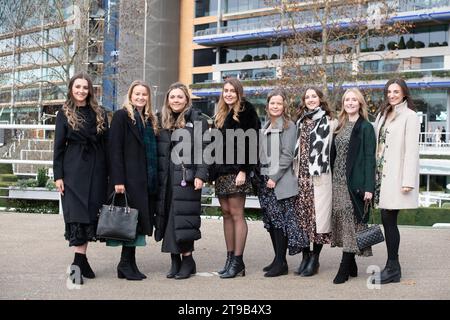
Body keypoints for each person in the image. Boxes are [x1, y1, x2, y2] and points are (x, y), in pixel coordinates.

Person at [53, 72, 109, 285]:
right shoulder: (64, 113)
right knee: (76, 216)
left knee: (89, 216)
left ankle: (82, 260)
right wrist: (58, 175)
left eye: (85, 87)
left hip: (97, 169)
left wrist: (111, 174)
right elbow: (58, 147)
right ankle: (77, 266)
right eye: (77, 87)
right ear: (71, 88)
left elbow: (107, 144)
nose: (81, 91)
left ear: (90, 90)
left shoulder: (100, 112)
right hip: (73, 170)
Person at [154, 82, 209, 280]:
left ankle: (188, 260)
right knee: (168, 217)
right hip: (166, 178)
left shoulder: (197, 119)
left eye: (179, 97)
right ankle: (175, 260)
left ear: (186, 99)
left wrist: (201, 175)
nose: (176, 100)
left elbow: (205, 149)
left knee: (184, 219)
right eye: (172, 97)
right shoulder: (160, 120)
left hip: (187, 177)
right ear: (167, 100)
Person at [211, 78, 261, 279]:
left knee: (237, 213)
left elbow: (253, 142)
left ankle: (238, 261)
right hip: (222, 171)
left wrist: (244, 170)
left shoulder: (246, 110)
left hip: (237, 170)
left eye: (232, 90)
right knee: (225, 213)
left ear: (239, 92)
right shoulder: (221, 113)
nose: (229, 94)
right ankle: (229, 258)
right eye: (226, 90)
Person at [109, 80, 158, 280]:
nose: (140, 97)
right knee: (130, 221)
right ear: (130, 95)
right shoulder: (122, 116)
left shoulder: (149, 119)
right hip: (129, 178)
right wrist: (118, 180)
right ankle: (125, 264)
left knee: (137, 221)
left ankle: (128, 263)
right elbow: (114, 149)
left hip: (146, 177)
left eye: (144, 94)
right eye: (137, 94)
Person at [257, 89, 309, 277]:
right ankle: (278, 259)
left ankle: (281, 262)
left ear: (284, 105)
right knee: (271, 222)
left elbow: (287, 155)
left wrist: (274, 177)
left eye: (279, 103)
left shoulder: (289, 126)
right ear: (268, 105)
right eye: (272, 103)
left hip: (279, 182)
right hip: (265, 182)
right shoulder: (267, 126)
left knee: (280, 223)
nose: (275, 106)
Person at [374, 78, 420, 284]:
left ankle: (393, 267)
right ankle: (393, 266)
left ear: (404, 93)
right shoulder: (383, 114)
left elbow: (412, 151)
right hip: (380, 176)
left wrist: (407, 180)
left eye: (396, 91)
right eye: (389, 92)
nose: (392, 95)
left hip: (396, 176)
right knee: (386, 220)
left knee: (389, 221)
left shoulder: (410, 116)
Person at [330, 88, 376, 284]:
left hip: (354, 183)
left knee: (351, 222)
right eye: (347, 100)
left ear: (360, 103)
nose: (350, 103)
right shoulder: (339, 125)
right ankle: (352, 264)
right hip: (337, 181)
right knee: (341, 220)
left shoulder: (365, 127)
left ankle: (344, 267)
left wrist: (369, 187)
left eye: (354, 100)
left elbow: (369, 159)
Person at [293, 86, 337, 277]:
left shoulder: (331, 121)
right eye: (307, 97)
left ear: (320, 99)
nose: (311, 99)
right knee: (302, 220)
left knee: (318, 220)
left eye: (314, 96)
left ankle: (315, 259)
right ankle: (305, 257)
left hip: (319, 178)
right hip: (301, 178)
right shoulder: (301, 122)